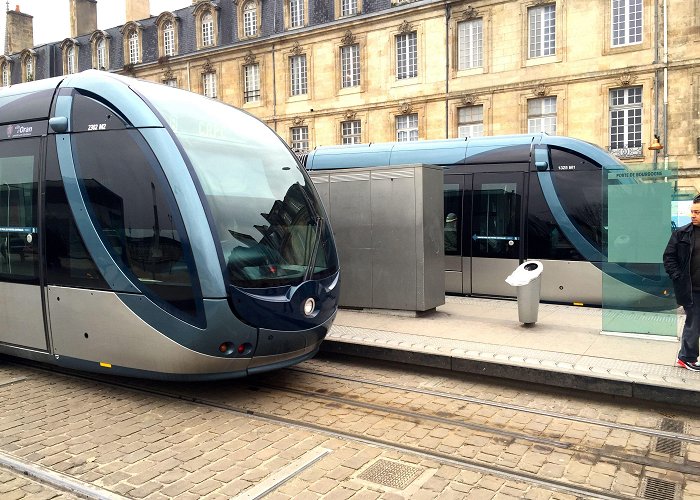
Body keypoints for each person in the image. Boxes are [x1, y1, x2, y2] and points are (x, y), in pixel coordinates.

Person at [663, 195, 700, 371]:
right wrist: (678, 276)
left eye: (697, 212)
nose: (693, 215)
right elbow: (669, 257)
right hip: (691, 288)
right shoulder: (681, 233)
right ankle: (686, 357)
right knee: (694, 322)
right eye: (692, 212)